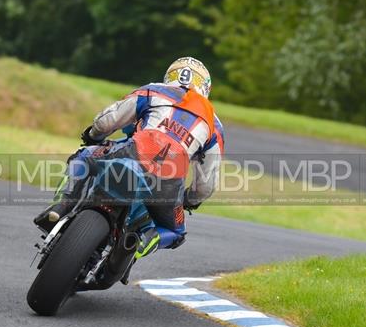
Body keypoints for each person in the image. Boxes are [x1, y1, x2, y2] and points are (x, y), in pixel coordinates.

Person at [34, 57, 225, 260]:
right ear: (205, 88)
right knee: (176, 233)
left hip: (132, 153)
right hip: (169, 182)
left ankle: (60, 206)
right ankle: (143, 242)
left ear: (170, 76)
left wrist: (93, 135)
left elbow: (109, 121)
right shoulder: (214, 125)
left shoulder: (155, 90)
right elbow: (206, 182)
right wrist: (190, 200)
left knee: (83, 156)